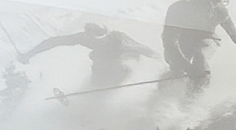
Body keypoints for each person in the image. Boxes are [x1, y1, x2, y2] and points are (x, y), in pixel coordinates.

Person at [20, 21, 154, 93]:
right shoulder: (85, 38)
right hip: (104, 63)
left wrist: (162, 61)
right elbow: (55, 41)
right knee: (98, 64)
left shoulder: (118, 37)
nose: (94, 40)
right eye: (91, 36)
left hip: (124, 61)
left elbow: (141, 47)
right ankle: (96, 88)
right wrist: (30, 53)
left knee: (115, 64)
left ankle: (113, 86)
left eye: (98, 37)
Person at [161, 0, 236, 86]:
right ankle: (166, 90)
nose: (207, 9)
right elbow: (168, 41)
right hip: (183, 39)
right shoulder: (178, 9)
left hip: (207, 38)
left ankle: (198, 91)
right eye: (200, 5)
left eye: (210, 5)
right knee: (176, 67)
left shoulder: (218, 9)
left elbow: (227, 22)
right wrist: (186, 67)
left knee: (200, 56)